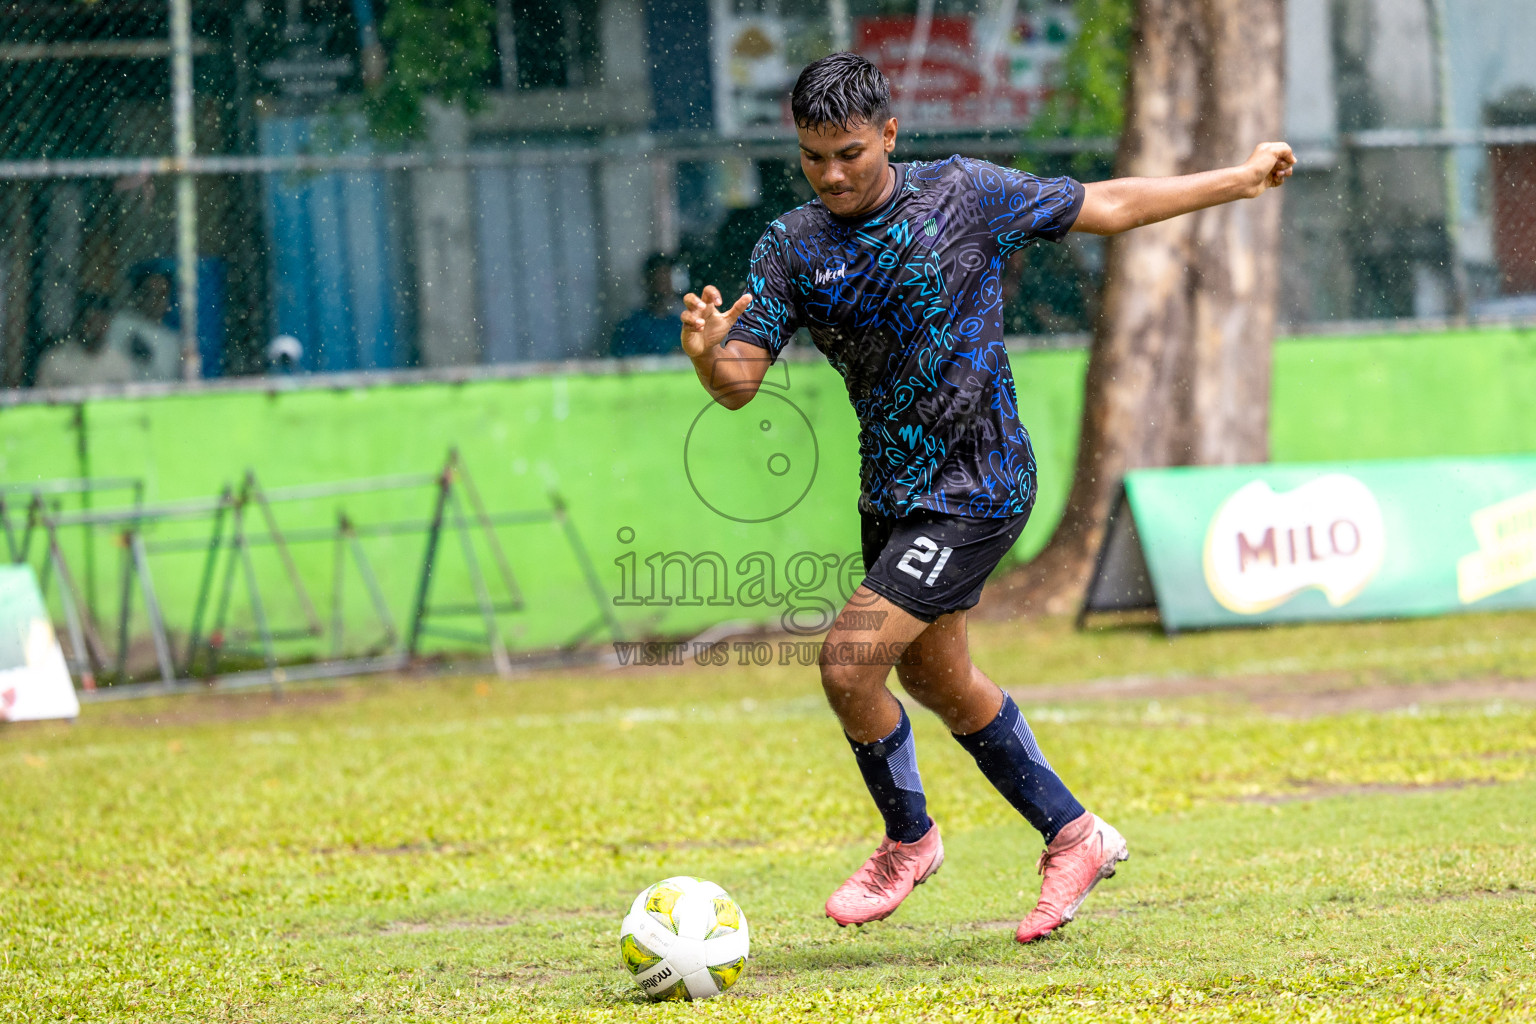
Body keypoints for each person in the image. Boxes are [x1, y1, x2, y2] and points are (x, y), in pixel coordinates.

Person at [679, 52, 1293, 944]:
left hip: (980, 484)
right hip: (892, 497)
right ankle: (1077, 835)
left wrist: (1237, 181)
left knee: (849, 663)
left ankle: (908, 839)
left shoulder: (966, 195)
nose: (834, 174)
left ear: (890, 135)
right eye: (815, 158)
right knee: (936, 676)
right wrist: (708, 358)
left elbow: (1110, 206)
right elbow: (741, 383)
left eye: (851, 152)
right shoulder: (793, 245)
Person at [35, 293, 136, 389]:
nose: (96, 328)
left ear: (108, 324)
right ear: (80, 322)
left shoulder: (119, 364)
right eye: (91, 321)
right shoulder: (56, 361)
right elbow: (40, 401)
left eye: (101, 322)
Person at [105, 267, 180, 381]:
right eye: (151, 292)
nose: (156, 299)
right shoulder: (121, 323)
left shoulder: (172, 340)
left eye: (162, 294)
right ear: (140, 294)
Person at [610, 253, 688, 358]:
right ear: (647, 281)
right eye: (658, 277)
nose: (662, 284)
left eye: (666, 278)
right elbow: (623, 362)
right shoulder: (631, 324)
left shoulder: (679, 324)